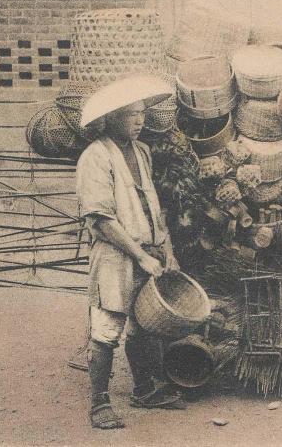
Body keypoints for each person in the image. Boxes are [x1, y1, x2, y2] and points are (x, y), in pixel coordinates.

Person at [76, 82, 185, 429]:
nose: (139, 121)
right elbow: (101, 219)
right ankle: (99, 403)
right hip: (115, 255)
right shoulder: (95, 156)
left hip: (147, 252)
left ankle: (143, 389)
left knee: (143, 324)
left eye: (141, 114)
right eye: (130, 115)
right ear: (110, 119)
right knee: (107, 326)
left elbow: (152, 205)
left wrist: (165, 248)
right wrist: (139, 255)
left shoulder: (141, 152)